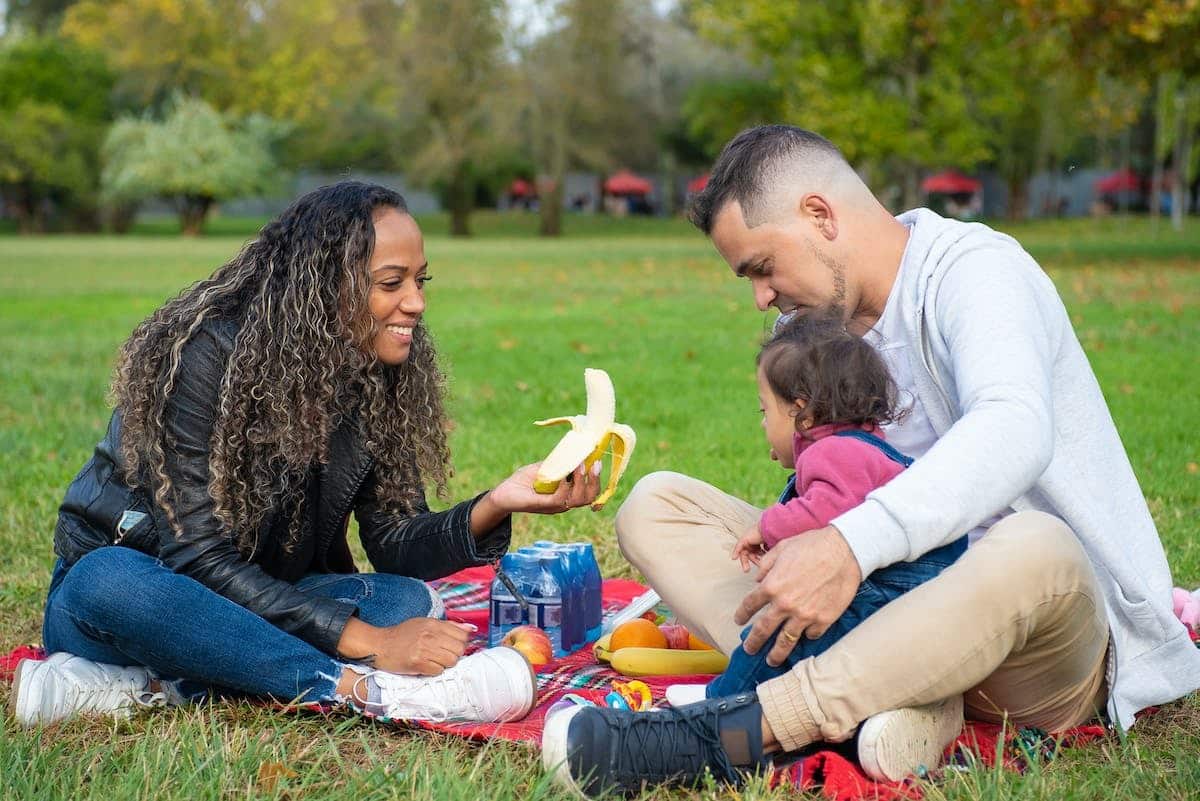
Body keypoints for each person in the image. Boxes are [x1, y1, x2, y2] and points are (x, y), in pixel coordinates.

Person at [542, 126, 1200, 796]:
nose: (760, 298)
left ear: (820, 215)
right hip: (882, 614)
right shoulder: (811, 338)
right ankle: (902, 706)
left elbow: (1016, 427)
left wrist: (851, 545)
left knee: (1034, 545)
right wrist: (799, 536)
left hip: (1035, 644)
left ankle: (729, 733)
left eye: (762, 268)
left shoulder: (974, 271)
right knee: (659, 504)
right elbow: (822, 487)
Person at [11, 181, 602, 728]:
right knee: (105, 579)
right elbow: (194, 557)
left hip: (255, 601)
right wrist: (372, 648)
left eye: (421, 281)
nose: (416, 304)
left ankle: (154, 689)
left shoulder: (375, 368)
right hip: (140, 600)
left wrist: (497, 503)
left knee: (405, 599)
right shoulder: (206, 354)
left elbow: (393, 542)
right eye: (391, 283)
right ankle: (362, 691)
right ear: (326, 283)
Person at [666, 313, 965, 705]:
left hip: (896, 584)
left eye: (764, 411)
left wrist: (767, 527)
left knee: (778, 636)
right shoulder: (859, 445)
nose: (762, 425)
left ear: (800, 412)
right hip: (909, 584)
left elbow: (828, 512)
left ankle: (722, 701)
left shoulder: (833, 451)